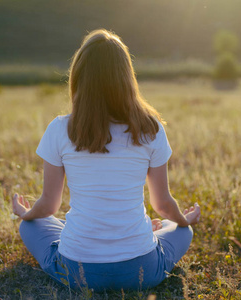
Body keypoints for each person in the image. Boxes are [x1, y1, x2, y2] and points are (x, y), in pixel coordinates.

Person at [12, 29, 201, 292]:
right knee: (181, 230)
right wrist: (183, 220)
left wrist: (26, 214)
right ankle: (147, 233)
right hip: (141, 272)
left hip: (78, 272)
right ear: (126, 78)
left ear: (79, 78)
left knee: (31, 226)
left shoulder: (60, 129)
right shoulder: (151, 129)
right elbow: (163, 205)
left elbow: (49, 205)